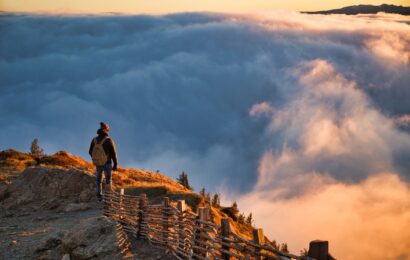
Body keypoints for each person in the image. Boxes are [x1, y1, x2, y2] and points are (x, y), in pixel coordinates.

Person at [89, 122, 118, 201]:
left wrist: (96, 159)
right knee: (108, 180)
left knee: (98, 180)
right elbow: (114, 153)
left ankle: (99, 197)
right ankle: (108, 197)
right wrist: (115, 164)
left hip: (98, 164)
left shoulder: (94, 140)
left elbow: (90, 151)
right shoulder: (109, 140)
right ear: (106, 130)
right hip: (107, 163)